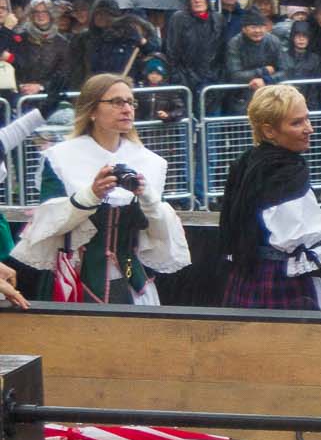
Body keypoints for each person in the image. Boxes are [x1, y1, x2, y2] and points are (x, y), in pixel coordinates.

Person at [12, 73, 190, 303]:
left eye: (130, 101)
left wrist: (148, 198)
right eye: (116, 102)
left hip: (129, 276)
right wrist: (90, 195)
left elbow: (156, 233)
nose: (127, 109)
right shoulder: (61, 157)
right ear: (92, 110)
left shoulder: (149, 161)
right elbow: (47, 222)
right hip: (74, 281)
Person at [214, 84, 321, 310]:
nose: (309, 129)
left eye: (307, 119)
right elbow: (295, 245)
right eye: (296, 123)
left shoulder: (249, 160)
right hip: (283, 283)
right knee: (295, 345)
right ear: (269, 131)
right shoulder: (286, 170)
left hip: (248, 274)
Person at [164, 0, 218, 92]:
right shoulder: (178, 18)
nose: (197, 0)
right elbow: (171, 50)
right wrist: (177, 76)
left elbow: (221, 49)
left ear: (207, 0)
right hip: (185, 78)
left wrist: (216, 74)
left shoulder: (217, 19)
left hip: (211, 79)